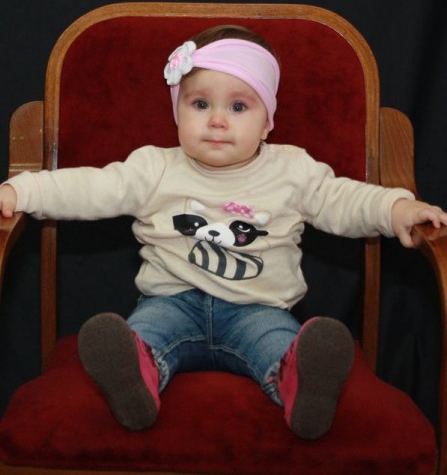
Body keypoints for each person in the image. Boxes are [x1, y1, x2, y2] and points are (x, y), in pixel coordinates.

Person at [1, 24, 446, 440]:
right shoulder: (153, 168)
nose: (217, 120)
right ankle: (134, 382)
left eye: (238, 106)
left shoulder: (292, 169)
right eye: (200, 104)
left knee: (279, 345)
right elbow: (88, 187)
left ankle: (303, 386)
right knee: (145, 335)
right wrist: (20, 192)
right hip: (170, 302)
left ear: (267, 121)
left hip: (259, 309)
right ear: (177, 111)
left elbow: (344, 199)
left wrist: (397, 208)